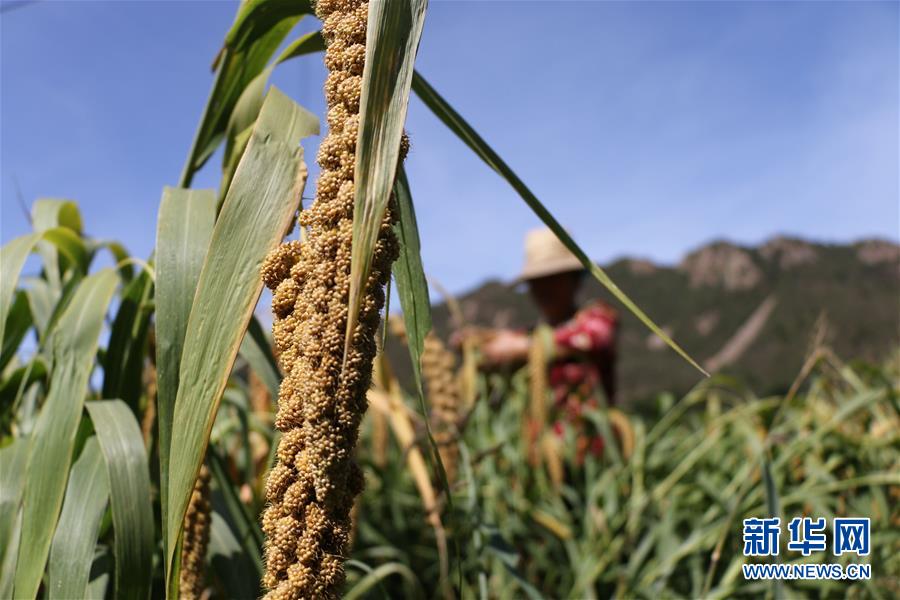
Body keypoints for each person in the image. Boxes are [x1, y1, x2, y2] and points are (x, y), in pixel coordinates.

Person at [463, 228, 619, 459]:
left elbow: (594, 338)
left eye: (552, 280)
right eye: (537, 283)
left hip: (590, 456)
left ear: (575, 280)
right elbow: (504, 344)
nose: (544, 290)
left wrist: (521, 348)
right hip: (540, 459)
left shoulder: (596, 317)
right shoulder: (532, 333)